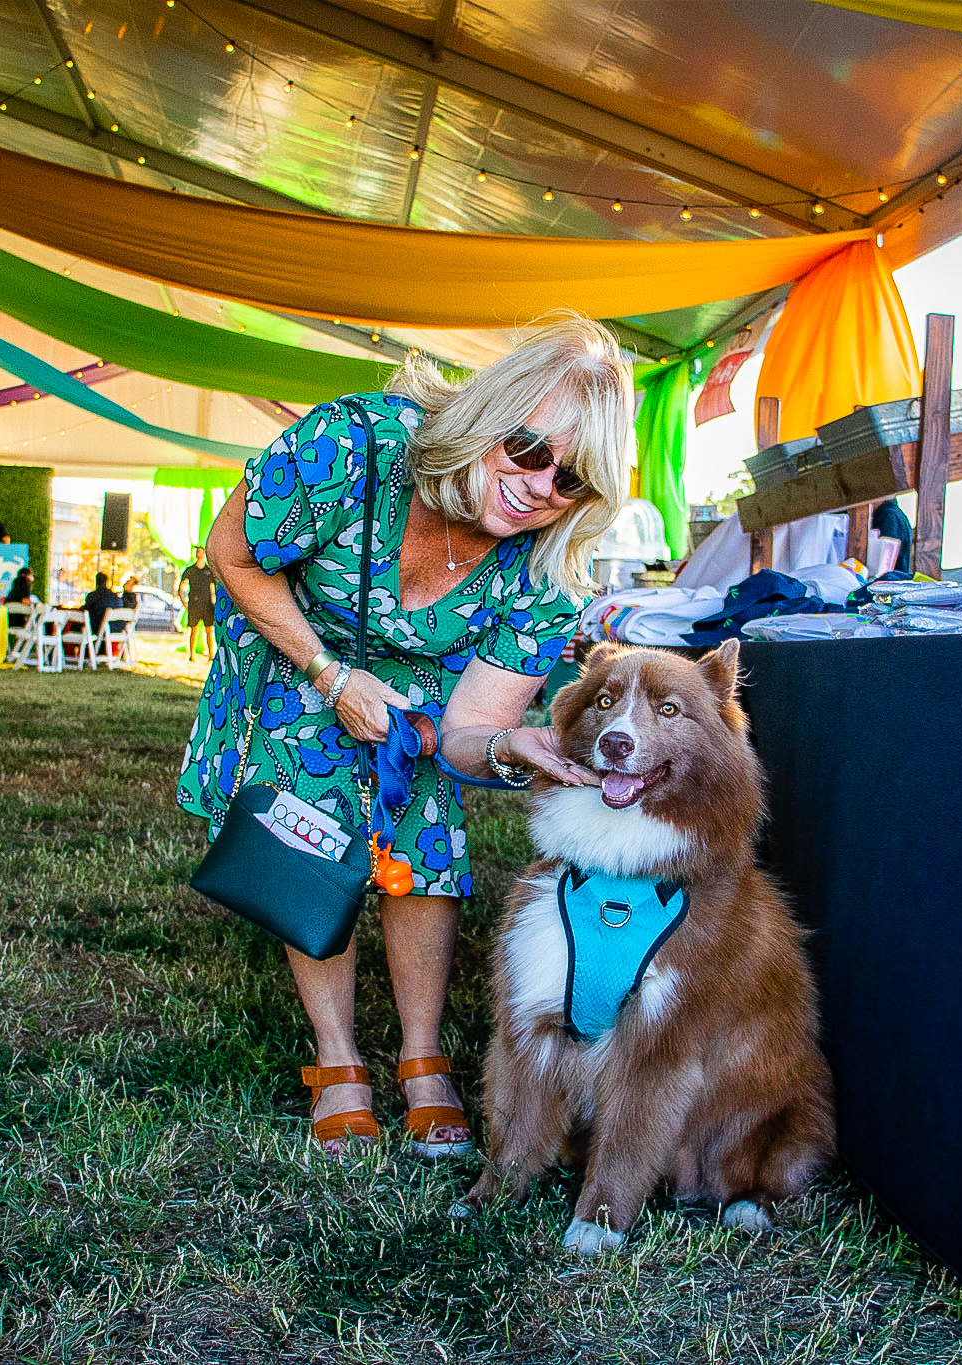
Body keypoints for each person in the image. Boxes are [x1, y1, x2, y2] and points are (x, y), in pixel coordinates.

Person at [176, 312, 626, 1156]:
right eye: (528, 450)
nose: (539, 487)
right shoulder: (357, 445)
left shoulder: (543, 577)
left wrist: (509, 745)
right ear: (488, 418)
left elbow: (470, 731)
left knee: (425, 801)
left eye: (570, 480)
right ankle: (337, 1057)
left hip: (416, 705)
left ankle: (422, 1058)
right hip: (294, 650)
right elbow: (230, 554)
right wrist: (329, 675)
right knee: (313, 781)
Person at [180, 545, 218, 660]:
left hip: (207, 605)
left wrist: (214, 602)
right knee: (193, 629)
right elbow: (181, 585)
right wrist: (183, 600)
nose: (198, 554)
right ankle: (191, 655)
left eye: (200, 551)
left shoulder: (209, 570)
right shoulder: (190, 570)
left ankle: (211, 655)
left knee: (209, 630)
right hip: (194, 604)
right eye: (196, 552)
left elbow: (215, 588)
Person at [82, 570, 120, 637]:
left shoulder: (92, 596)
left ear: (96, 582)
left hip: (98, 630)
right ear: (107, 582)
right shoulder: (114, 596)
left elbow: (85, 612)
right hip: (115, 629)